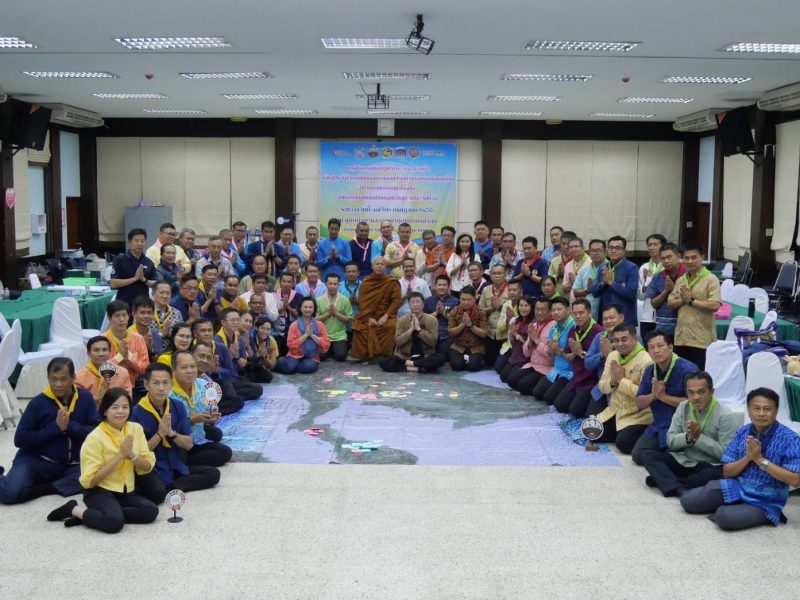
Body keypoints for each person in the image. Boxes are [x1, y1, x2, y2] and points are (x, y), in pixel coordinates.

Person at [680, 387, 800, 531]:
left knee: (724, 517)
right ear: (748, 411)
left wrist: (760, 459)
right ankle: (737, 506)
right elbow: (727, 472)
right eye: (756, 408)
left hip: (766, 501)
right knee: (688, 501)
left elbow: (795, 480)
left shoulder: (791, 439)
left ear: (776, 411)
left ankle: (743, 511)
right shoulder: (742, 432)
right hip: (737, 487)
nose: (761, 413)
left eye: (767, 409)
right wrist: (749, 457)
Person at [46, 388, 157, 533]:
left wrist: (131, 454)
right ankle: (74, 510)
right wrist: (120, 455)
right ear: (104, 410)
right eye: (114, 407)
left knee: (151, 511)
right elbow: (91, 482)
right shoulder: (95, 437)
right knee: (115, 523)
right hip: (99, 491)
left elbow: (147, 467)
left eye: (125, 407)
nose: (120, 411)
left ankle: (93, 516)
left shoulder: (136, 429)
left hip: (125, 490)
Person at [0, 358, 99, 505]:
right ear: (48, 378)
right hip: (37, 461)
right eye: (53, 379)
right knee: (8, 494)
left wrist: (70, 426)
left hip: (70, 465)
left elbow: (96, 431)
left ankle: (43, 489)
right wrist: (55, 428)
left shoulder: (85, 398)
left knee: (99, 478)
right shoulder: (38, 403)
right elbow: (20, 439)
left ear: (73, 378)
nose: (58, 384)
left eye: (63, 379)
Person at [131, 363, 220, 505]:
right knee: (157, 494)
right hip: (154, 467)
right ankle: (167, 486)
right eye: (156, 383)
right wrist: (159, 435)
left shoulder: (177, 405)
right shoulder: (136, 413)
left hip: (177, 462)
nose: (161, 388)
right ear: (146, 385)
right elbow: (137, 454)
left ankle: (171, 487)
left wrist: (172, 434)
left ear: (171, 384)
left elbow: (189, 444)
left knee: (213, 474)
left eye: (165, 383)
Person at [640, 371, 736, 498]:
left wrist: (699, 438)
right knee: (647, 455)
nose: (696, 397)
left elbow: (726, 455)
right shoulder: (683, 407)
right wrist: (688, 437)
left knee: (706, 477)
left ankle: (668, 482)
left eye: (701, 392)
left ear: (712, 392)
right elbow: (670, 441)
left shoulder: (725, 416)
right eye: (691, 393)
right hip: (686, 460)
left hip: (710, 464)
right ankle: (678, 486)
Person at [631, 330, 699, 465]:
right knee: (637, 455)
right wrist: (653, 396)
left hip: (682, 427)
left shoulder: (688, 369)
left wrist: (663, 396)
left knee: (673, 460)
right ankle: (664, 455)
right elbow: (639, 403)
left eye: (660, 346)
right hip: (658, 425)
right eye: (651, 347)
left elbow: (695, 403)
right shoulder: (650, 370)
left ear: (670, 347)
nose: (656, 351)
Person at [597, 323, 654, 454]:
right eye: (616, 340)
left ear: (635, 338)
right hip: (616, 411)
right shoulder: (612, 356)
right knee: (593, 433)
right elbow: (602, 387)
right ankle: (621, 432)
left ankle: (646, 434)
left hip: (638, 415)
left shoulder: (647, 361)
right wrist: (613, 380)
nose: (620, 344)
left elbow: (644, 395)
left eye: (624, 339)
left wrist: (621, 380)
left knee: (624, 444)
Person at [169, 350, 233, 467]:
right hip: (177, 444)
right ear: (174, 370)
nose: (190, 371)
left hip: (198, 439)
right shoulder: (168, 393)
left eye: (193, 366)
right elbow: (169, 429)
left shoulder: (203, 385)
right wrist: (192, 420)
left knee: (225, 450)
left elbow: (212, 409)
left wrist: (212, 417)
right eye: (184, 367)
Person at [667, 242, 721, 370]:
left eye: (694, 257)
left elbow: (715, 305)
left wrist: (691, 301)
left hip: (701, 339)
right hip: (681, 338)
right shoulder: (681, 280)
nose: (690, 261)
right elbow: (670, 303)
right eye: (686, 258)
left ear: (702, 257)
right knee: (682, 374)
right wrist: (684, 299)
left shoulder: (711, 279)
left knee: (698, 375)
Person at [553, 299, 604, 416]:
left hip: (592, 380)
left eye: (581, 313)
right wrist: (562, 352)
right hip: (577, 378)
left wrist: (580, 352)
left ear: (589, 313)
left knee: (575, 410)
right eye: (575, 313)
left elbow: (600, 360)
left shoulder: (599, 332)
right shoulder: (573, 330)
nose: (578, 316)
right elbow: (569, 358)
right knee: (560, 405)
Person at [351, 257, 403, 361]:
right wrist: (368, 318)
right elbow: (362, 303)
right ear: (372, 266)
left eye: (382, 264)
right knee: (360, 327)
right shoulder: (366, 282)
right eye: (377, 264)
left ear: (386, 267)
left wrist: (386, 316)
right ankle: (366, 356)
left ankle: (385, 355)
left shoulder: (392, 281)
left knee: (391, 326)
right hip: (368, 315)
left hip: (386, 315)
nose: (379, 266)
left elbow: (396, 301)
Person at [379, 292, 445, 373]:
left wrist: (419, 329)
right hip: (406, 356)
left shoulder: (432, 320)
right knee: (383, 362)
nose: (415, 304)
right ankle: (418, 368)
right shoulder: (402, 320)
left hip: (425, 356)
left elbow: (432, 342)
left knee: (440, 359)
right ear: (409, 305)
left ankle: (409, 365)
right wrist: (410, 330)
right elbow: (398, 341)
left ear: (423, 305)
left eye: (418, 302)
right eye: (412, 302)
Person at [580, 304, 625, 418]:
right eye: (605, 319)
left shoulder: (632, 338)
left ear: (621, 318)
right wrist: (602, 355)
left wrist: (610, 354)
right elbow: (587, 364)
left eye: (612, 318)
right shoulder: (599, 337)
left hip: (623, 389)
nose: (608, 321)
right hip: (602, 387)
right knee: (590, 418)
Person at [531, 296, 575, 403]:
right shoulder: (554, 328)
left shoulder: (574, 327)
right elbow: (551, 354)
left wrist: (559, 350)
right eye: (553, 310)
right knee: (537, 393)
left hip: (570, 372)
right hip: (556, 370)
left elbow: (575, 356)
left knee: (549, 398)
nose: (556, 313)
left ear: (568, 310)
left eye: (559, 309)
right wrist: (552, 350)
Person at [510, 298, 555, 395]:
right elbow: (526, 354)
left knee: (523, 386)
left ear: (550, 311)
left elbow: (551, 356)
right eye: (537, 309)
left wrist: (537, 341)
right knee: (511, 380)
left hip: (546, 367)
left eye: (543, 309)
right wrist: (530, 341)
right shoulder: (534, 325)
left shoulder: (554, 327)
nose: (539, 312)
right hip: (532, 365)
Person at [591, 235, 639, 326]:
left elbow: (631, 294)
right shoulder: (603, 267)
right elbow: (594, 293)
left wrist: (611, 283)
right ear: (607, 250)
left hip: (625, 318)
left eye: (618, 248)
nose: (613, 250)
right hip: (606, 318)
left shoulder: (632, 267)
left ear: (624, 251)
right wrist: (602, 283)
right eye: (611, 248)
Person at [275, 297, 331, 374]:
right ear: (300, 308)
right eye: (305, 307)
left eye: (310, 307)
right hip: (295, 354)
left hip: (312, 357)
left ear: (314, 309)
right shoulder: (294, 325)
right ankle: (281, 363)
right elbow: (290, 344)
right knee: (289, 368)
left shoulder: (319, 324)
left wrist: (312, 336)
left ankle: (291, 366)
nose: (308, 309)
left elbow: (326, 343)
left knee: (308, 367)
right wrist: (305, 335)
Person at [104, 299, 149, 389]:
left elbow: (145, 369)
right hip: (109, 389)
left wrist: (128, 356)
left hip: (134, 387)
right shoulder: (102, 340)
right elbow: (101, 371)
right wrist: (119, 356)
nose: (121, 319)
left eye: (124, 315)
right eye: (117, 316)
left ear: (129, 316)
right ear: (109, 318)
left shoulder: (138, 339)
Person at [75, 336, 132, 407]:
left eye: (104, 350)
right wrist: (98, 396)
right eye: (96, 350)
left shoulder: (122, 372)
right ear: (88, 353)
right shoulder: (79, 377)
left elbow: (128, 400)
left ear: (110, 352)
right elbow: (80, 405)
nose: (101, 354)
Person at [109, 228, 157, 306]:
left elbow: (156, 284)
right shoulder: (119, 260)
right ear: (129, 243)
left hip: (143, 304)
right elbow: (113, 283)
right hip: (124, 303)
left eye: (142, 241)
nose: (140, 244)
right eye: (136, 241)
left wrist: (143, 279)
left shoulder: (148, 262)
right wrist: (134, 278)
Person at [647, 243, 685, 336]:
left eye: (669, 257)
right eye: (663, 258)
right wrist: (666, 291)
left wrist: (673, 289)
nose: (666, 261)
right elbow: (653, 304)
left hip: (685, 328)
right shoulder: (657, 277)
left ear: (678, 256)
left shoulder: (688, 275)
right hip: (663, 329)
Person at [446, 286, 488, 372]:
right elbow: (451, 332)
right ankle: (464, 359)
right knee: (456, 365)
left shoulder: (481, 312)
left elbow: (484, 334)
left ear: (474, 299)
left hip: (476, 347)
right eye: (463, 299)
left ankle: (470, 360)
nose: (466, 302)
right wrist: (463, 324)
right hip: (458, 346)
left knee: (473, 366)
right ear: (459, 299)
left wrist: (470, 325)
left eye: (469, 299)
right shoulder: (454, 311)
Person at [315, 273, 353, 362]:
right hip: (323, 335)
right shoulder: (319, 300)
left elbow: (349, 319)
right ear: (326, 284)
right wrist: (328, 314)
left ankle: (334, 349)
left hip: (339, 336)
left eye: (335, 284)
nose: (332, 286)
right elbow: (315, 320)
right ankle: (330, 349)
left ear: (339, 285)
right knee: (320, 357)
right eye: (330, 284)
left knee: (341, 357)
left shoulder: (345, 300)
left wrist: (336, 314)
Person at [478, 264, 509, 367]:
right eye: (494, 273)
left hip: (505, 334)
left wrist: (500, 307)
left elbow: (515, 312)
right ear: (490, 275)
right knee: (489, 363)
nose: (497, 276)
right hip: (490, 333)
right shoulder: (486, 290)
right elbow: (479, 311)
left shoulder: (511, 289)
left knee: (499, 366)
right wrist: (491, 308)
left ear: (505, 275)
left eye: (500, 273)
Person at [499, 295, 534, 384]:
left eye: (526, 306)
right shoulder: (517, 319)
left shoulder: (533, 322)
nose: (523, 308)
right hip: (515, 354)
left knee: (511, 379)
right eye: (521, 305)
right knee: (503, 377)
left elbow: (529, 344)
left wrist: (516, 334)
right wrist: (512, 333)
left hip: (525, 357)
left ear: (531, 307)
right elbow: (512, 341)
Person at [638, 234, 666, 339]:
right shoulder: (644, 268)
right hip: (647, 316)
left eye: (655, 244)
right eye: (649, 245)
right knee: (647, 345)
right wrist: (647, 282)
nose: (652, 247)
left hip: (663, 316)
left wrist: (652, 280)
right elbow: (640, 296)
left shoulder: (667, 267)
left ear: (663, 246)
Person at [424, 274, 460, 354]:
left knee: (443, 353)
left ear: (448, 286)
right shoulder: (428, 301)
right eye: (439, 285)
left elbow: (457, 321)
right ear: (435, 286)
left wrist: (444, 313)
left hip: (447, 336)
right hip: (430, 334)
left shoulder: (455, 301)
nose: (441, 287)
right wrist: (436, 313)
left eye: (444, 285)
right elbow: (423, 320)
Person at [573, 239, 608, 320]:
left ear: (605, 253)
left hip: (607, 310)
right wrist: (587, 290)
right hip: (590, 313)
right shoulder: (584, 269)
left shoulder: (610, 268)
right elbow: (575, 293)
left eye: (598, 250)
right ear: (589, 253)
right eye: (593, 251)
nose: (595, 253)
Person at [493, 280, 523, 374]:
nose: (512, 292)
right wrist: (507, 320)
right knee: (498, 368)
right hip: (509, 342)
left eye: (514, 290)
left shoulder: (525, 305)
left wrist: (513, 318)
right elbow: (499, 326)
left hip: (521, 342)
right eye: (509, 290)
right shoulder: (507, 304)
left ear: (521, 291)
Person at [274, 271, 301, 355]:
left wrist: (289, 308)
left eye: (289, 282)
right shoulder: (273, 295)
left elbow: (300, 316)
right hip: (277, 333)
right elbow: (271, 314)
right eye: (284, 281)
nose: (286, 284)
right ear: (280, 282)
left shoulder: (298, 296)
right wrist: (282, 308)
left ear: (293, 283)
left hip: (294, 333)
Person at [246, 318, 279, 383]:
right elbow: (245, 361)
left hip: (259, 367)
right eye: (262, 328)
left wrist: (264, 357)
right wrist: (258, 354)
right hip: (247, 366)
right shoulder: (250, 338)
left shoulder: (272, 342)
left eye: (268, 329)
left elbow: (272, 365)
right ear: (256, 328)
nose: (265, 332)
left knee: (268, 377)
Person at [130, 296, 163, 360]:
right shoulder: (127, 335)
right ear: (133, 314)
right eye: (142, 313)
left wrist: (151, 350)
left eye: (149, 312)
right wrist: (144, 345)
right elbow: (127, 360)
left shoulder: (156, 336)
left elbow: (158, 360)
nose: (146, 316)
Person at [561, 236, 589, 302]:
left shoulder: (591, 262)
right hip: (573, 302)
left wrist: (574, 282)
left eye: (576, 246)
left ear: (583, 247)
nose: (573, 249)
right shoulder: (568, 265)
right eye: (571, 247)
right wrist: (572, 284)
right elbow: (564, 289)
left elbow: (591, 287)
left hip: (588, 301)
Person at [547, 231, 574, 296]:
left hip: (573, 296)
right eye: (563, 244)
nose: (566, 246)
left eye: (568, 244)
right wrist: (558, 275)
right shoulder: (555, 260)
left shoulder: (577, 260)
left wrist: (565, 273)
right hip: (557, 296)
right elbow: (548, 279)